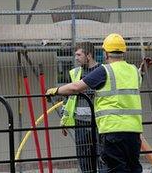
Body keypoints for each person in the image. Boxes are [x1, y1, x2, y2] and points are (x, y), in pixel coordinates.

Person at [47, 33, 143, 173]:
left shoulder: (105, 71)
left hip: (112, 130)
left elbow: (76, 87)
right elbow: (137, 84)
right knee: (133, 168)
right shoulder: (134, 70)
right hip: (134, 131)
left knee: (113, 169)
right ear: (123, 51)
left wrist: (55, 90)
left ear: (105, 53)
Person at [59, 42, 102, 173]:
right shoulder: (75, 73)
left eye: (79, 54)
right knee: (84, 160)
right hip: (81, 124)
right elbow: (68, 98)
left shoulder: (103, 71)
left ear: (88, 55)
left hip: (99, 124)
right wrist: (64, 121)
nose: (76, 58)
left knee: (102, 158)